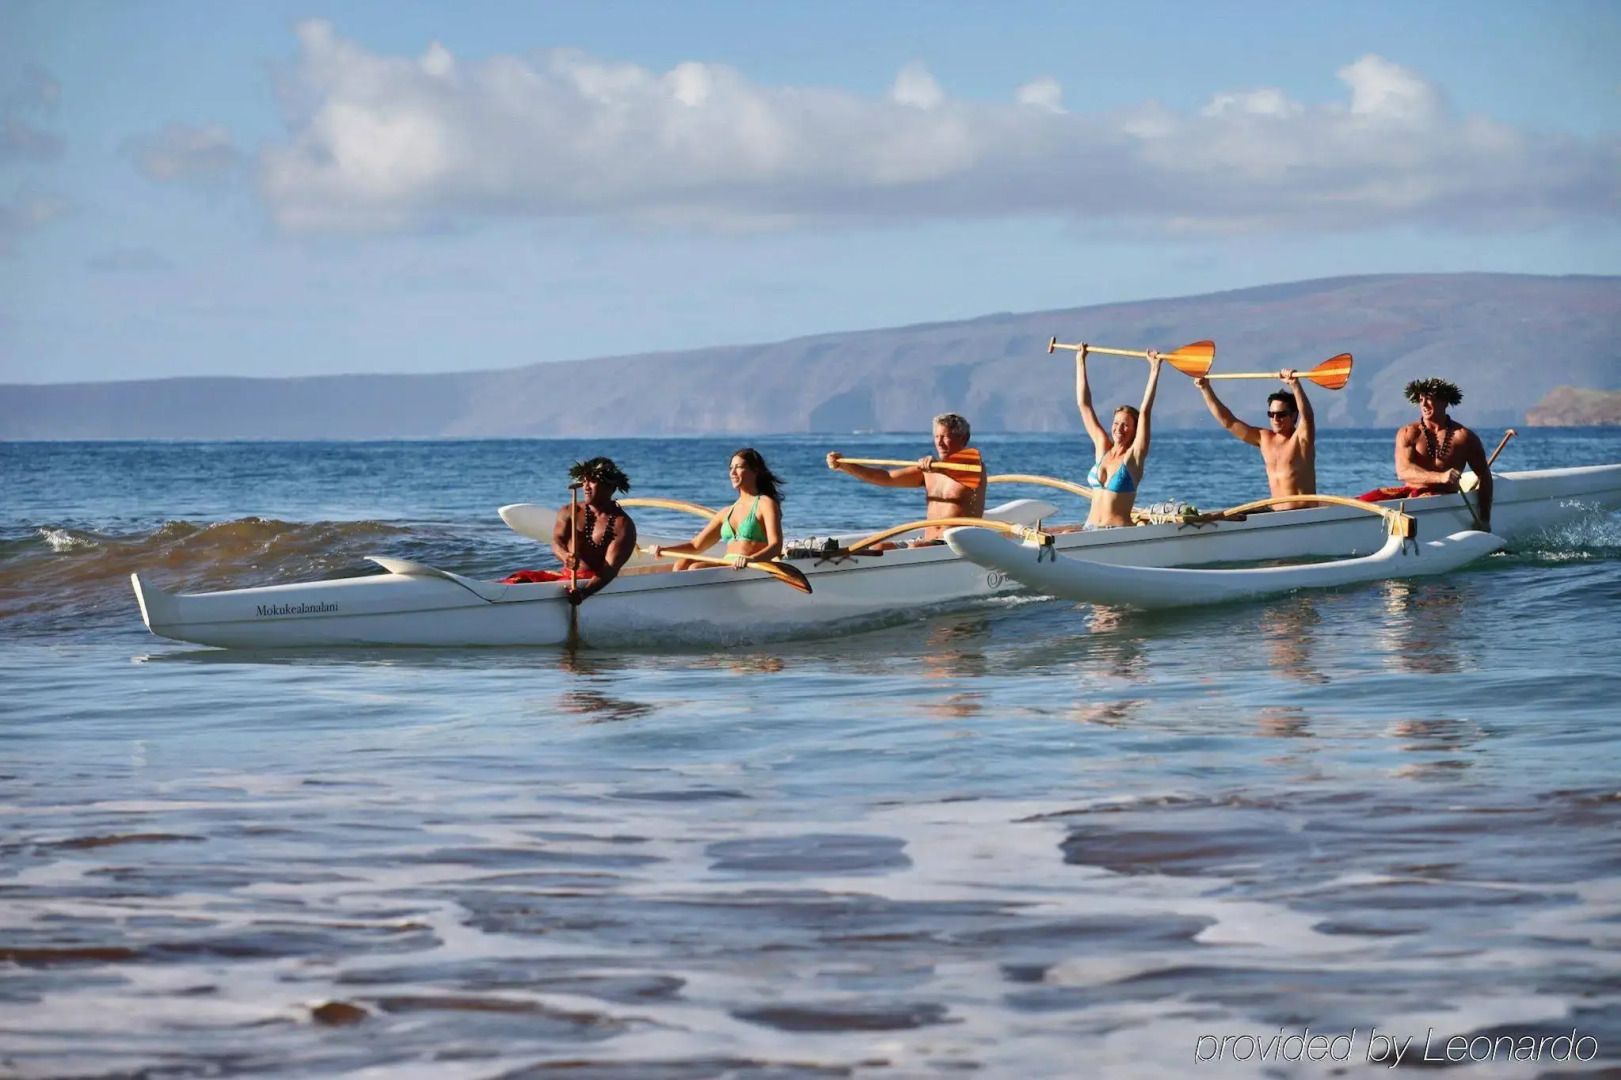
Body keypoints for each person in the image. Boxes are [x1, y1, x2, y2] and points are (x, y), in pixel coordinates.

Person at [825, 413, 986, 542]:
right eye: (937, 437)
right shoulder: (929, 471)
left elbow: (961, 472)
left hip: (959, 545)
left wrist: (939, 467)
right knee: (878, 547)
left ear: (962, 438)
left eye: (945, 436)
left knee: (915, 547)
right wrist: (845, 466)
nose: (939, 443)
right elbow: (886, 477)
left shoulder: (974, 468)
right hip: (928, 541)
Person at [1193, 369, 1316, 510]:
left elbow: (1307, 417)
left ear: (1294, 415)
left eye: (1281, 414)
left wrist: (1295, 385)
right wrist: (1205, 388)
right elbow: (1229, 422)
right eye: (1271, 414)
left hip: (1304, 514)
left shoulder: (1301, 440)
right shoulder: (1264, 439)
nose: (1275, 419)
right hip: (1276, 515)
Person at [652, 448, 785, 569]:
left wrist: (751, 559)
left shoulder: (765, 504)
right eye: (731, 468)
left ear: (755, 471)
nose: (732, 472)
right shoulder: (726, 513)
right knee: (682, 563)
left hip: (751, 566)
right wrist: (663, 550)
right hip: (728, 565)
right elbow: (695, 546)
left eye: (739, 467)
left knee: (695, 568)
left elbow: (776, 546)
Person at [1390, 377, 1493, 530]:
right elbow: (1403, 471)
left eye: (1429, 399)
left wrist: (1484, 519)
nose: (1423, 404)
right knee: (1368, 499)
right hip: (1411, 498)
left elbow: (1484, 476)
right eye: (1421, 399)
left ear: (1444, 402)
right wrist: (1441, 477)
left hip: (1444, 501)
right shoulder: (1408, 433)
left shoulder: (1464, 437)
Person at [1076, 347, 1162, 527]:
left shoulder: (1133, 458)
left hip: (1116, 534)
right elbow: (1084, 405)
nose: (1119, 429)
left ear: (1135, 429)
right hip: (1089, 529)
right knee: (1063, 535)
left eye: (1125, 424)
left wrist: (1154, 369)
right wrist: (1080, 360)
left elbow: (1145, 411)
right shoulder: (1103, 449)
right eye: (1116, 423)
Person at [549, 457, 638, 605]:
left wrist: (584, 593)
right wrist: (565, 556)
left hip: (593, 584)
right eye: (584, 481)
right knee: (517, 580)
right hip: (566, 578)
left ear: (611, 487)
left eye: (592, 481)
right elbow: (556, 541)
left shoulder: (622, 525)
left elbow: (609, 570)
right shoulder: (570, 511)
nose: (586, 487)